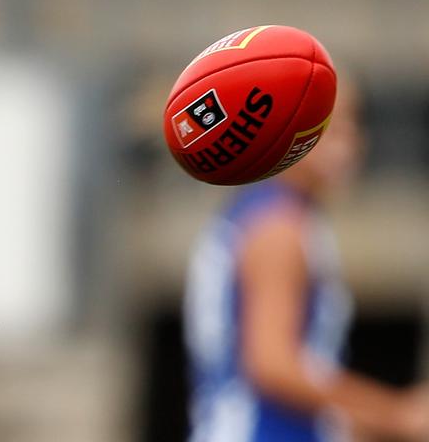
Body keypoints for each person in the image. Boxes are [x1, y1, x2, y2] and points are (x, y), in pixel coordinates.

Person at [184, 85, 429, 441]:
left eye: (353, 125)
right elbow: (272, 365)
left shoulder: (263, 212)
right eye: (332, 126)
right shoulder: (278, 225)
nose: (352, 143)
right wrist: (394, 413)